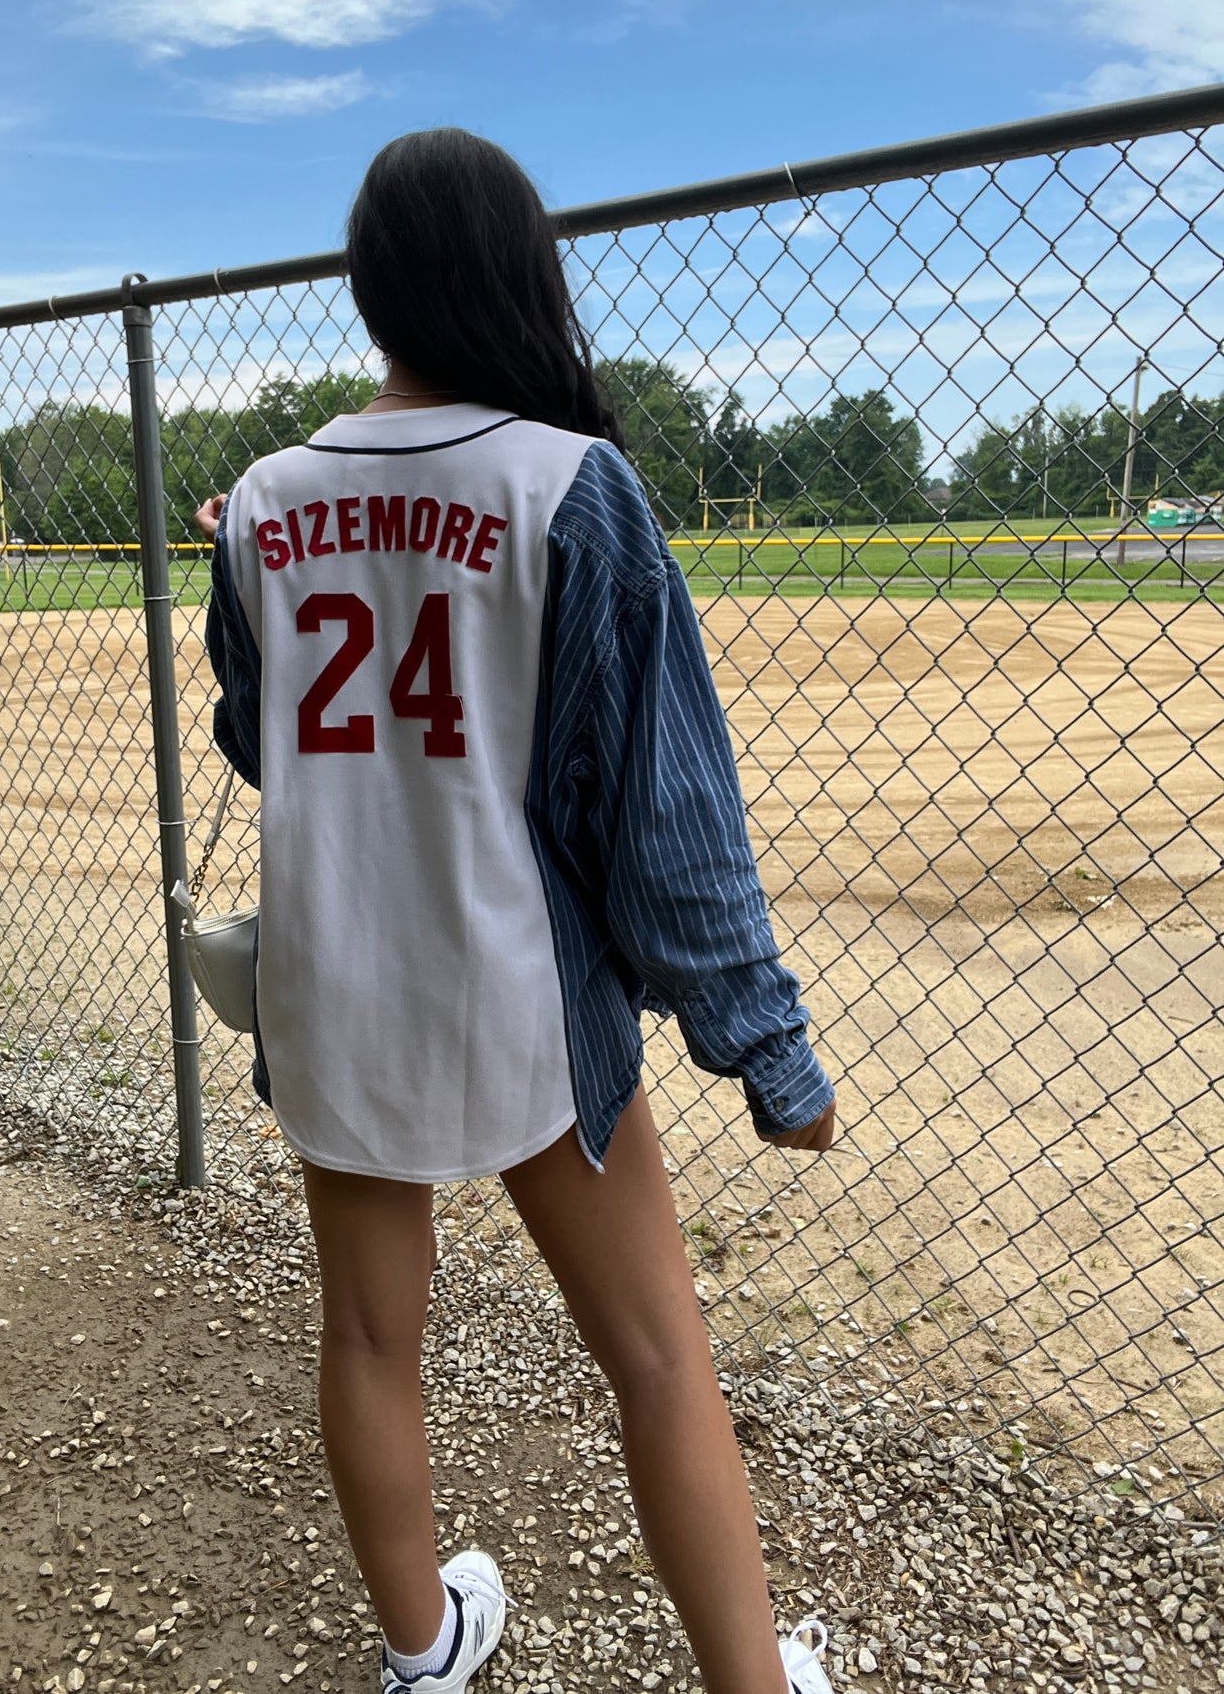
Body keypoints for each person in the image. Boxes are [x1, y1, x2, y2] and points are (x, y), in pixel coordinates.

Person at [197, 127, 839, 1694]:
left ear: (371, 289)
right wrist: (766, 1050)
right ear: (518, 275)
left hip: (334, 983)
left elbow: (251, 734)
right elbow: (665, 821)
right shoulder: (573, 485)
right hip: (522, 999)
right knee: (657, 1357)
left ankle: (425, 1653)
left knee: (366, 1339)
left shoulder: (265, 500)